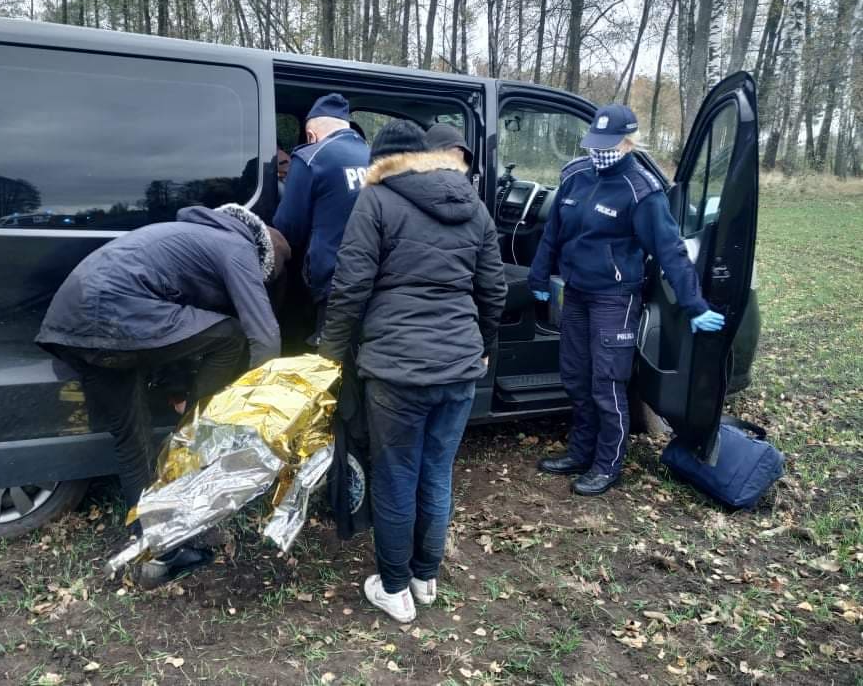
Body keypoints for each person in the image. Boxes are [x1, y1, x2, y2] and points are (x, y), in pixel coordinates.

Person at [37, 203, 290, 585]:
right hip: (115, 311)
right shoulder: (239, 250)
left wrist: (175, 389)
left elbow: (171, 325)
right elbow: (265, 338)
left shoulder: (191, 237)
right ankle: (198, 421)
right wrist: (259, 411)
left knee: (133, 441)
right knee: (232, 335)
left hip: (73, 323)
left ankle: (155, 557)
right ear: (264, 262)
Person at [320, 120, 507, 623]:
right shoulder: (473, 204)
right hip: (459, 366)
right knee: (437, 471)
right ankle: (425, 578)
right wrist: (483, 348)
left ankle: (394, 588)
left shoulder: (376, 200)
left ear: (381, 163)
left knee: (397, 474)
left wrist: (329, 359)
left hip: (397, 370)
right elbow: (493, 290)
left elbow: (350, 288)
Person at [528, 104, 725, 497]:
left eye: (609, 145)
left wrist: (694, 304)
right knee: (576, 378)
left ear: (628, 143)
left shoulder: (642, 190)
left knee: (606, 383)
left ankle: (607, 464)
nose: (599, 152)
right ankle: (580, 453)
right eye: (595, 143)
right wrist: (539, 275)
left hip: (614, 300)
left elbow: (670, 251)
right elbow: (553, 232)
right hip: (576, 294)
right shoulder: (575, 176)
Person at [272, 93, 370, 343]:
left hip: (334, 282)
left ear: (311, 135)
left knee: (332, 356)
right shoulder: (376, 157)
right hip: (375, 278)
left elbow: (288, 228)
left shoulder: (311, 158)